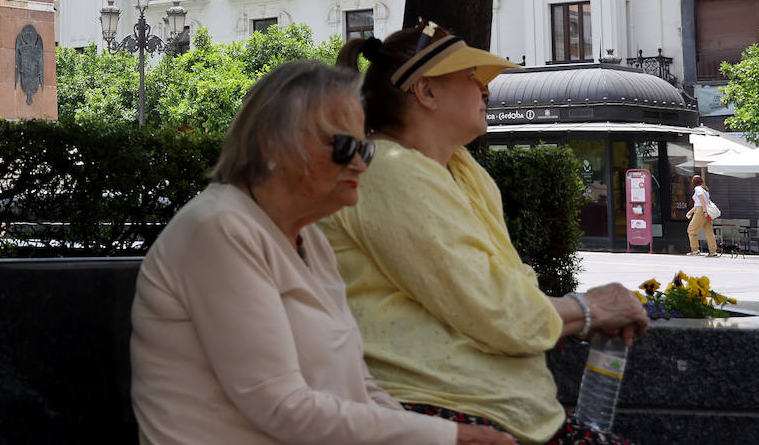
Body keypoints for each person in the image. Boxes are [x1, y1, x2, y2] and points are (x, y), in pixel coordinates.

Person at [130, 59, 517, 445]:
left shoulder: (309, 237)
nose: (360, 165)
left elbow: (359, 385)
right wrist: (447, 437)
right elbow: (281, 406)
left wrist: (429, 438)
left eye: (365, 150)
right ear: (272, 144)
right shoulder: (219, 230)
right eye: (344, 145)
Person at [321, 22, 649, 445]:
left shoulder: (460, 170)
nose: (486, 90)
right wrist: (588, 309)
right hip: (436, 412)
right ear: (426, 92)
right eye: (471, 76)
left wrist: (574, 316)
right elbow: (496, 310)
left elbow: (503, 295)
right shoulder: (387, 170)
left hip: (497, 411)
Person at [686, 175, 718, 256]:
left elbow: (702, 201)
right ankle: (713, 251)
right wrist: (691, 212)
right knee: (709, 231)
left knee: (691, 230)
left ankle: (695, 249)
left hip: (701, 211)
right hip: (705, 210)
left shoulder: (697, 189)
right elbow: (700, 203)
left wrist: (703, 211)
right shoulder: (705, 190)